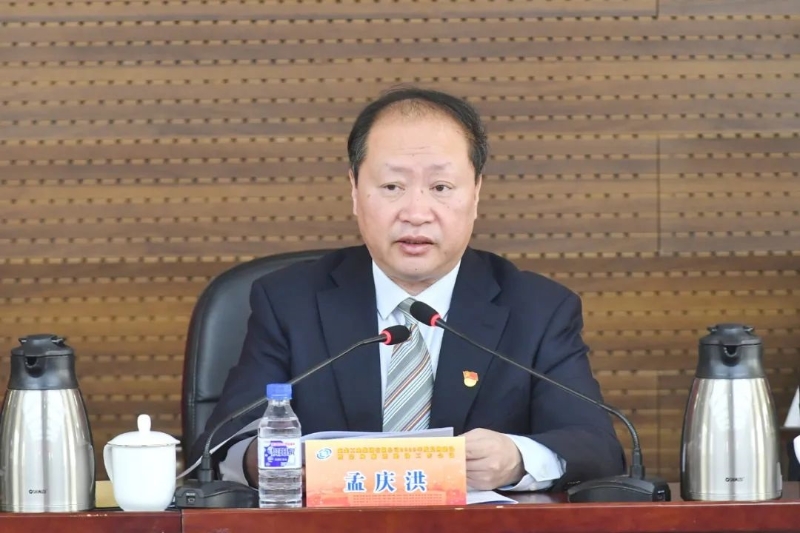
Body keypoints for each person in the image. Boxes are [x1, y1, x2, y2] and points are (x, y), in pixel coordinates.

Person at [189, 86, 625, 492]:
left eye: (441, 187)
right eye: (392, 187)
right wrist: (270, 461)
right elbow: (221, 446)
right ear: (355, 191)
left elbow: (597, 448)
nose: (416, 213)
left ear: (476, 193)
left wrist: (517, 459)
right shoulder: (289, 302)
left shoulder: (538, 310)